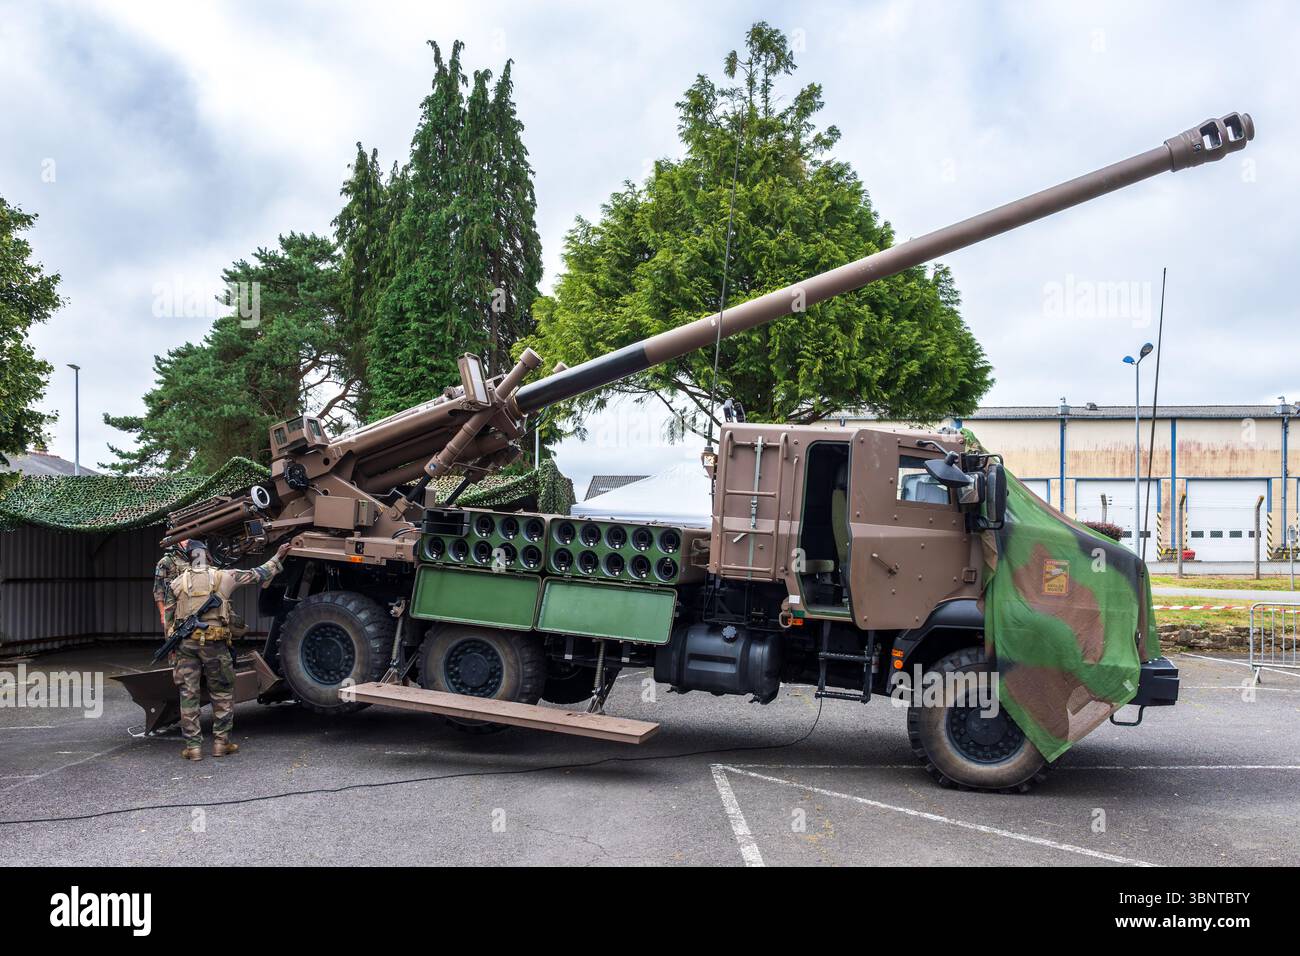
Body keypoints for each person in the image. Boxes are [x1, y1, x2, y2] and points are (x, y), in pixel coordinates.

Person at [166, 539, 292, 760]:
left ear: (189, 558)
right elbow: (259, 574)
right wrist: (278, 555)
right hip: (216, 644)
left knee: (188, 695)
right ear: (208, 555)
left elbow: (169, 621)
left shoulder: (176, 583)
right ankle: (221, 744)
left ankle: (193, 747)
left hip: (185, 646)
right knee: (222, 693)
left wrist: (172, 649)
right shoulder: (224, 576)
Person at [152, 539, 190, 632]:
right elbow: (158, 590)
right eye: (183, 539)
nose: (187, 542)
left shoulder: (198, 560)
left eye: (188, 538)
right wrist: (163, 614)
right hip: (174, 609)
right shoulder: (166, 562)